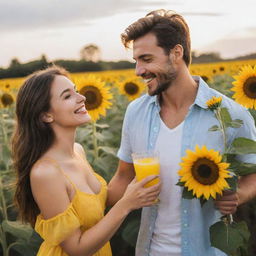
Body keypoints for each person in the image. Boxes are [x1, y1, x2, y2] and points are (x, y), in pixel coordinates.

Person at [107, 9, 256, 256]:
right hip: (151, 250)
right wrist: (81, 196)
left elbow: (253, 173)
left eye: (146, 59)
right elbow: (123, 177)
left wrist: (238, 195)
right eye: (136, 61)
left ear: (176, 53)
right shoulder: (136, 112)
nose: (138, 71)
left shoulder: (229, 114)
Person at [12, 66, 161, 256]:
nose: (82, 97)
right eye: (67, 96)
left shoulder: (77, 151)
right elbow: (76, 249)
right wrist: (127, 204)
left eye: (76, 90)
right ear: (46, 115)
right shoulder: (46, 172)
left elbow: (97, 202)